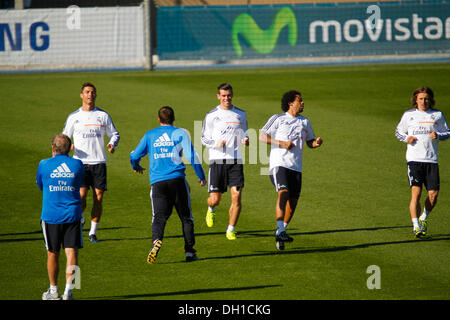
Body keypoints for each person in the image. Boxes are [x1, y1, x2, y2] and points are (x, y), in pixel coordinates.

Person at [130, 106, 206, 263]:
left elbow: (134, 154)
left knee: (158, 216)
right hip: (177, 180)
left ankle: (156, 239)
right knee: (186, 217)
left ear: (159, 119)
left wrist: (135, 165)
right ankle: (190, 252)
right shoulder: (180, 133)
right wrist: (201, 176)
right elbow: (191, 155)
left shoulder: (150, 135)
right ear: (173, 118)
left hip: (158, 182)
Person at [259, 90, 323, 250]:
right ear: (290, 103)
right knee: (283, 192)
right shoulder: (278, 119)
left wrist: (316, 143)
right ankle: (280, 229)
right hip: (279, 164)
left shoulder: (305, 122)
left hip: (296, 167)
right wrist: (281, 143)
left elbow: (309, 142)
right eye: (299, 100)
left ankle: (281, 231)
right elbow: (261, 136)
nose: (302, 103)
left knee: (293, 202)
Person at [62, 82, 120, 243]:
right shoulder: (74, 117)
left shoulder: (103, 116)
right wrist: (69, 146)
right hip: (79, 163)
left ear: (96, 95)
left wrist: (112, 144)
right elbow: (64, 137)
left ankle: (92, 232)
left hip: (99, 162)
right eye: (87, 92)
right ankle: (80, 221)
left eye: (93, 92)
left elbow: (114, 134)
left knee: (98, 197)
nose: (90, 95)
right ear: (82, 95)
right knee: (81, 196)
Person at [395, 87, 449, 238]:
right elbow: (398, 131)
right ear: (416, 100)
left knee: (433, 194)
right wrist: (406, 138)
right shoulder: (409, 115)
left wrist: (438, 135)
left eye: (426, 99)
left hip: (431, 160)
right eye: (420, 99)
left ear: (430, 100)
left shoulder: (437, 115)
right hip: (414, 160)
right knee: (416, 194)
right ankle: (415, 226)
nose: (423, 101)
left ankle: (423, 218)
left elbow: (447, 132)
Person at [37, 134, 85, 300]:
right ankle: (68, 293)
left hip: (51, 216)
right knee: (72, 252)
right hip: (73, 215)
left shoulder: (43, 164)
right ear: (70, 148)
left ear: (52, 148)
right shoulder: (78, 164)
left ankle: (53, 290)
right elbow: (79, 183)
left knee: (52, 253)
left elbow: (41, 185)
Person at [201, 83, 249, 240]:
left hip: (235, 161)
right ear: (218, 96)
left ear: (232, 95)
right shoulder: (211, 115)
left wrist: (245, 140)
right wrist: (216, 143)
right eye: (223, 95)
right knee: (215, 199)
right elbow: (203, 138)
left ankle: (231, 229)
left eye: (229, 95)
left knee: (236, 196)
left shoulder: (240, 114)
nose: (226, 98)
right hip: (217, 160)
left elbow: (244, 133)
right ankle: (211, 209)